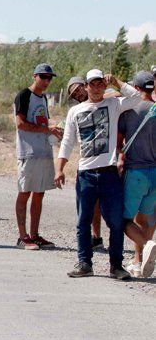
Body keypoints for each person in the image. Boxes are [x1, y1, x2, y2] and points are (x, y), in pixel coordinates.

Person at [55, 69, 140, 280]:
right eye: (92, 84)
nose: (96, 87)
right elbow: (67, 141)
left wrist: (117, 82)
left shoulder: (113, 104)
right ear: (86, 86)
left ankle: (116, 266)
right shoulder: (75, 111)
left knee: (116, 222)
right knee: (83, 221)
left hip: (109, 173)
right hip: (86, 174)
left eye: (100, 83)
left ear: (104, 85)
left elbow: (137, 97)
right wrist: (59, 168)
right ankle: (84, 263)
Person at [13, 64, 63, 250]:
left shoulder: (43, 98)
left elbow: (41, 121)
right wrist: (46, 129)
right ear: (35, 76)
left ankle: (34, 234)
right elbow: (21, 123)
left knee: (39, 193)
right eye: (43, 76)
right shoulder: (24, 95)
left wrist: (53, 130)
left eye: (49, 78)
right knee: (25, 191)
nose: (46, 81)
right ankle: (22, 236)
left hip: (43, 150)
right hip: (28, 152)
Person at [117, 71, 156, 278]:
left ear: (136, 88)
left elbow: (118, 142)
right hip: (155, 174)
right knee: (145, 219)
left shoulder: (130, 111)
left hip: (136, 172)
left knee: (124, 220)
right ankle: (140, 262)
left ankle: (148, 245)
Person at [68, 76, 105, 250]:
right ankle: (93, 238)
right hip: (87, 161)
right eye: (74, 94)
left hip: (108, 159)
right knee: (88, 204)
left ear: (85, 85)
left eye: (77, 89)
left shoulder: (105, 99)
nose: (77, 94)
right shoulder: (77, 110)